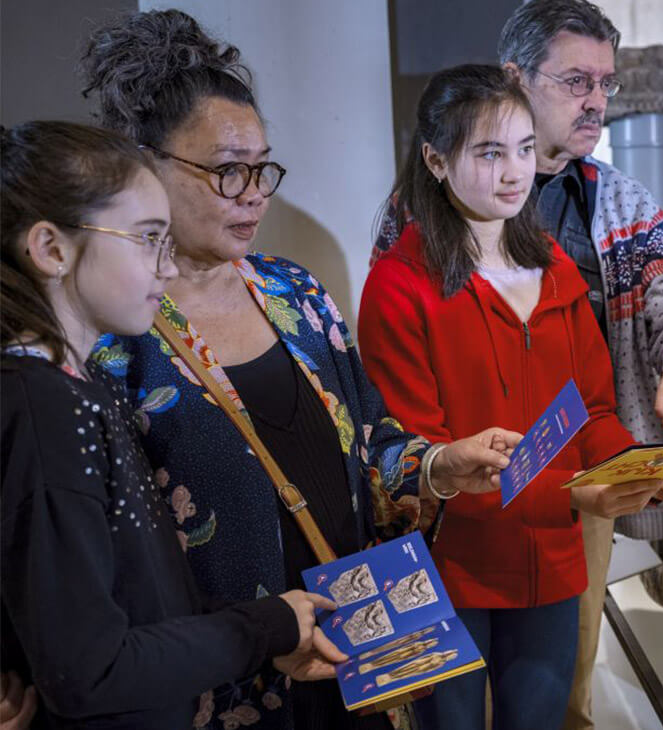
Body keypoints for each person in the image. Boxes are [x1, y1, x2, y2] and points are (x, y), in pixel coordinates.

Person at [79, 11, 519, 729]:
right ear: (147, 164)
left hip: (349, 660)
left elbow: (369, 443)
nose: (255, 190)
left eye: (263, 167)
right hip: (224, 689)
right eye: (227, 170)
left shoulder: (296, 293)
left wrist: (440, 465)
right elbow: (115, 559)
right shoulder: (117, 337)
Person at [370, 4, 663, 725]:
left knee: (560, 705)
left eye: (606, 83)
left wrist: (632, 461)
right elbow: (409, 449)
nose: (595, 98)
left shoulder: (580, 240)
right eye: (575, 80)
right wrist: (572, 490)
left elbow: (610, 382)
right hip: (456, 552)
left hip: (555, 538)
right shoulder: (409, 264)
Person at [0, 120, 344, 729]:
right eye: (146, 239)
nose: (165, 268)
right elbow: (91, 669)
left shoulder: (81, 384)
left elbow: (141, 597)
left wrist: (270, 632)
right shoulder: (42, 405)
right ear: (52, 249)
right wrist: (263, 626)